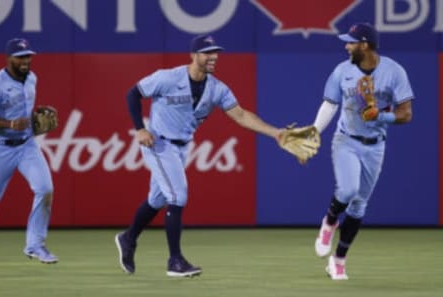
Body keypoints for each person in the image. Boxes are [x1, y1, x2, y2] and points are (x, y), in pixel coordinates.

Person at [116, 34, 294, 277]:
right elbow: (133, 94)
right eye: (207, 52)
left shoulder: (217, 89)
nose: (213, 57)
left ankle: (128, 238)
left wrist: (275, 133)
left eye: (216, 52)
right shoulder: (169, 77)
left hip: (182, 148)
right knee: (178, 195)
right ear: (193, 55)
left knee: (157, 200)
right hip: (158, 143)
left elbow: (241, 115)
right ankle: (175, 261)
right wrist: (139, 128)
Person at [312, 23, 413, 280]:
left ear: (364, 44)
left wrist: (381, 116)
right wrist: (314, 132)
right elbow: (330, 104)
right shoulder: (342, 70)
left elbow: (405, 114)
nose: (346, 46)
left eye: (351, 42)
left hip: (375, 146)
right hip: (346, 140)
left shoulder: (394, 71)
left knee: (358, 208)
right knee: (347, 190)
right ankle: (329, 221)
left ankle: (338, 261)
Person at [0, 38, 58, 273]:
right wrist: (8, 122)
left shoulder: (32, 79)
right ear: (9, 58)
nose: (25, 60)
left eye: (28, 56)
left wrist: (37, 118)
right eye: (20, 57)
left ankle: (35, 244)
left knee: (45, 188)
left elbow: (26, 114)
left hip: (26, 145)